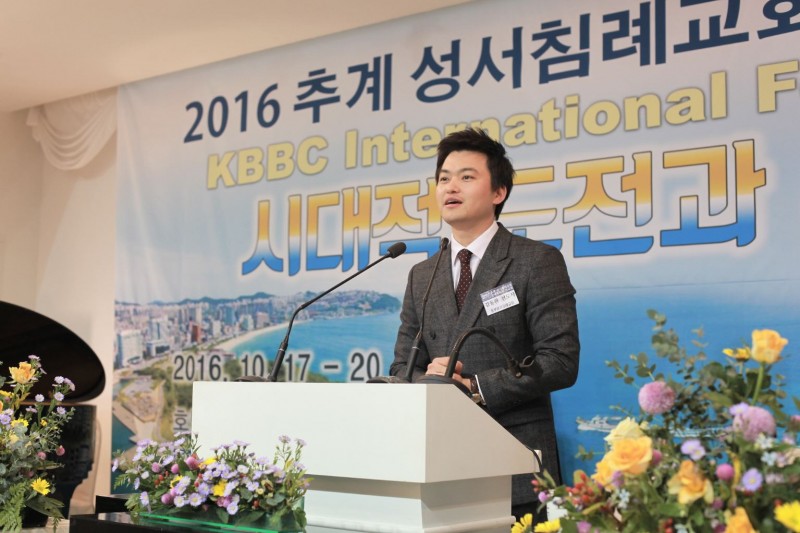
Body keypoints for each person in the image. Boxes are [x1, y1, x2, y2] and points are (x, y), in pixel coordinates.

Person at [390, 128, 580, 520]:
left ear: (498, 192)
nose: (450, 187)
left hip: (514, 464)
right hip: (437, 468)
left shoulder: (535, 261)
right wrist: (429, 381)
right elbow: (401, 368)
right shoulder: (422, 275)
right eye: (444, 178)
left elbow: (560, 360)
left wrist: (475, 387)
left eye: (466, 177)